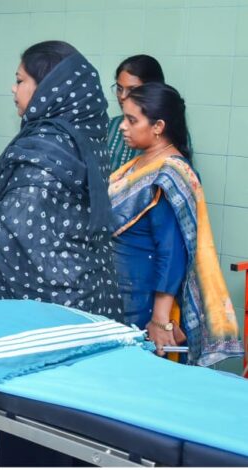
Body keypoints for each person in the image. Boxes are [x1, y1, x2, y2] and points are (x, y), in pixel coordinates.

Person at [0, 40, 122, 321]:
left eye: (20, 80)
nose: (13, 88)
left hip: (52, 302)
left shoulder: (46, 147)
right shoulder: (88, 136)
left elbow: (15, 226)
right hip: (93, 287)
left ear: (47, 88)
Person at [109, 82, 242, 365]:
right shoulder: (142, 162)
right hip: (122, 290)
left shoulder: (170, 174)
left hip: (143, 299)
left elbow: (172, 252)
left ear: (158, 126)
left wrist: (160, 319)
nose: (122, 126)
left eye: (132, 120)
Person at [106, 55, 165, 171]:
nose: (122, 96)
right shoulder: (109, 125)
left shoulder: (167, 132)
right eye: (119, 88)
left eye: (132, 89)